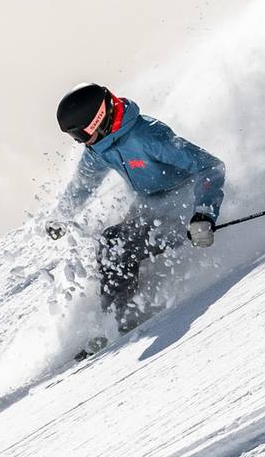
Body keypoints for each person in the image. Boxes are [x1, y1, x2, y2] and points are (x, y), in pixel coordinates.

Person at [47, 83, 226, 329]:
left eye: (80, 135)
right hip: (149, 211)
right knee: (113, 242)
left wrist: (204, 214)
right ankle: (115, 318)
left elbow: (209, 166)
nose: (79, 142)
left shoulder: (149, 136)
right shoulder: (99, 149)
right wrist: (61, 216)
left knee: (116, 245)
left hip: (184, 209)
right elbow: (82, 186)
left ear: (97, 120)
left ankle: (123, 319)